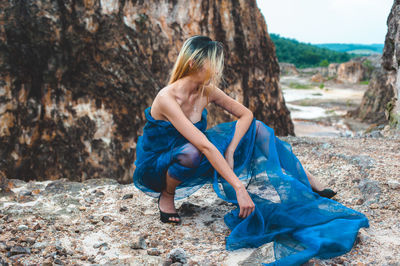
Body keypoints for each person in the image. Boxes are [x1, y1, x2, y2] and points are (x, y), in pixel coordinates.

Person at [133, 35, 368, 265]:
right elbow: (203, 145)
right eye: (212, 64)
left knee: (257, 129)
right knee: (192, 151)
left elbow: (246, 114)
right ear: (193, 63)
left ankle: (306, 178)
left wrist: (231, 149)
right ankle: (168, 194)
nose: (216, 70)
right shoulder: (167, 97)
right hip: (161, 163)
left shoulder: (207, 90)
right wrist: (238, 187)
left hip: (200, 149)